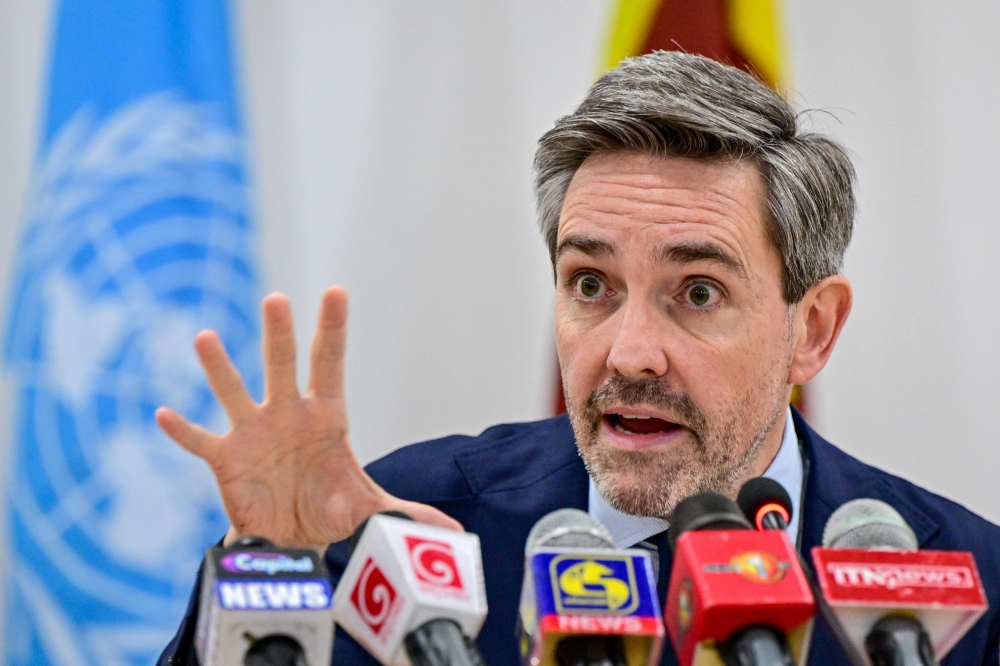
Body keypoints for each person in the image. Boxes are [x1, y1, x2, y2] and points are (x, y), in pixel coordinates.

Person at [157, 51, 1000, 665]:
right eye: (591, 284)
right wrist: (263, 567)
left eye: (697, 292)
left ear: (811, 329)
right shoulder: (397, 530)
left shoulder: (965, 586)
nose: (629, 353)